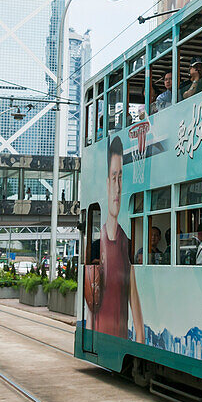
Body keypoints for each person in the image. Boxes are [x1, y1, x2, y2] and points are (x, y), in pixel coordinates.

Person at [84, 136, 145, 342]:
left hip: (121, 341)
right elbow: (91, 309)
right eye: (114, 177)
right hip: (99, 339)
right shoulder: (95, 245)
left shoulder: (127, 244)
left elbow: (139, 327)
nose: (118, 186)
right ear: (107, 183)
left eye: (121, 178)